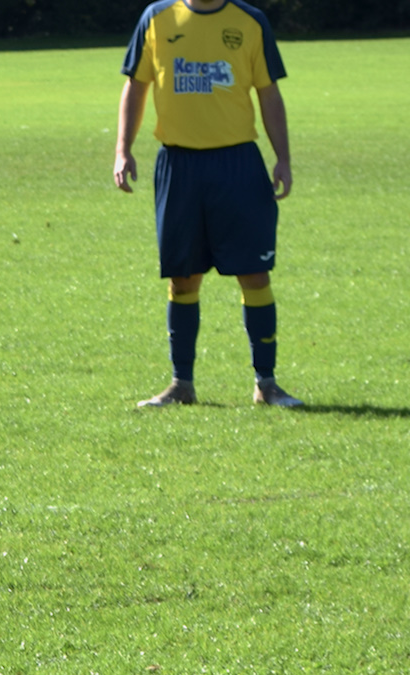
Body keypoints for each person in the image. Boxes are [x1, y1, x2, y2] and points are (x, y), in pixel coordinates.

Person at [114, 0, 301, 409]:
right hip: (179, 165)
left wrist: (283, 157)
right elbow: (136, 85)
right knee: (183, 277)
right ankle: (181, 385)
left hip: (238, 163)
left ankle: (266, 384)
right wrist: (122, 149)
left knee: (254, 273)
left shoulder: (250, 21)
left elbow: (269, 92)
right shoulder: (156, 18)